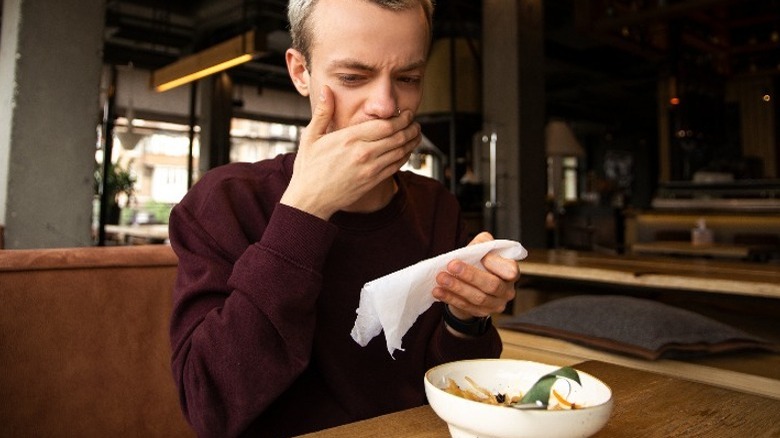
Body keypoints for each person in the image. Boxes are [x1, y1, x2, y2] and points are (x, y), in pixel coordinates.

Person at [168, 0, 520, 436]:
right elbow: (210, 406)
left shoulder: (437, 210)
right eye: (353, 77)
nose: (385, 105)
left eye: (408, 78)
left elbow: (454, 393)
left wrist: (467, 318)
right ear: (301, 72)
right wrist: (304, 211)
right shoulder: (225, 203)